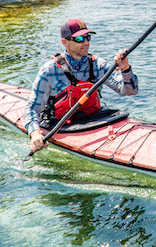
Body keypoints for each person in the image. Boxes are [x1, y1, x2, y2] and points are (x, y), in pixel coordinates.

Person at [24, 19, 138, 152]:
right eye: (79, 39)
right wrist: (35, 133)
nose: (86, 42)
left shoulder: (98, 65)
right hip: (60, 124)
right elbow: (32, 108)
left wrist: (126, 70)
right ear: (65, 42)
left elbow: (130, 91)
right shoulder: (49, 71)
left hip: (93, 120)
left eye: (88, 37)